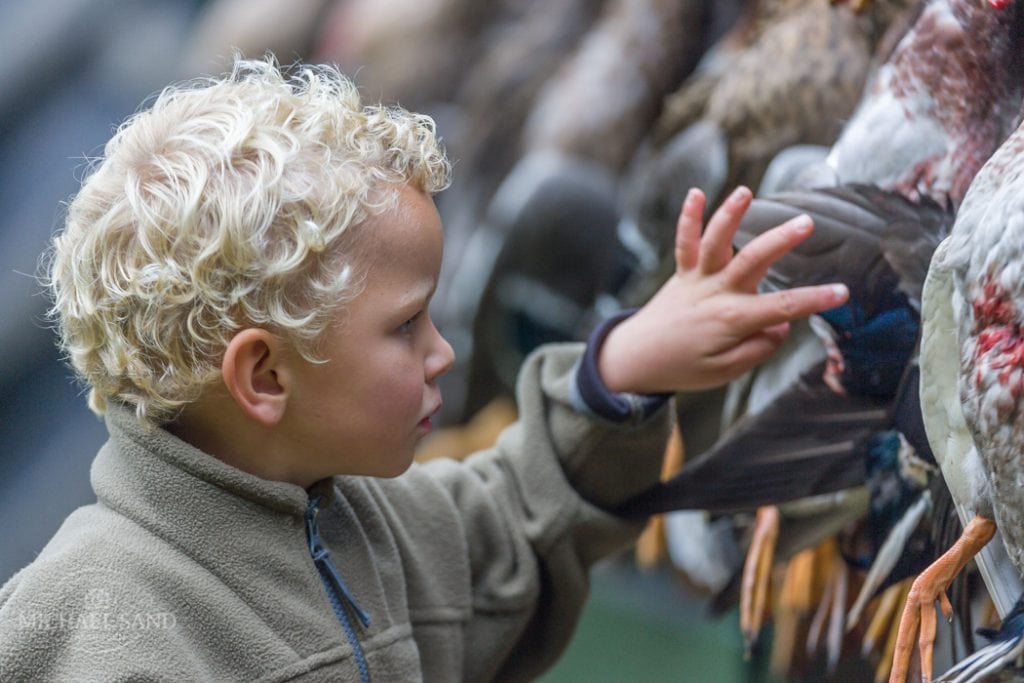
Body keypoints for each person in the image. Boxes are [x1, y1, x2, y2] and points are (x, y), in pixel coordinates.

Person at [0, 57, 847, 681]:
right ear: (264, 376)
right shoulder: (97, 628)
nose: (442, 351)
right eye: (406, 326)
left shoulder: (363, 525)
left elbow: (510, 525)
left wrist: (623, 366)